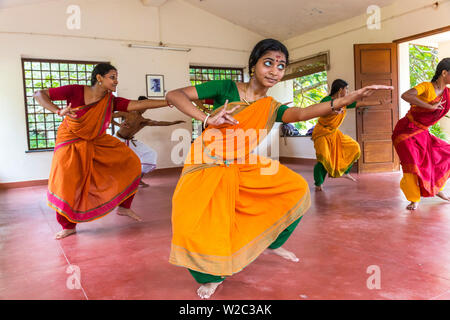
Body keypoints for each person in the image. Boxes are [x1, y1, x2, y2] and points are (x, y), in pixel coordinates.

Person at [166, 38, 393, 299]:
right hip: (205, 161)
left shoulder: (271, 106)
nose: (275, 71)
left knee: (295, 189)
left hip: (240, 163)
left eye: (281, 66)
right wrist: (206, 117)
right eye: (268, 63)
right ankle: (210, 278)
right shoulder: (226, 87)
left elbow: (300, 114)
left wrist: (341, 101)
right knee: (193, 223)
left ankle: (271, 243)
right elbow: (173, 95)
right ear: (254, 65)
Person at [34, 63, 170, 239]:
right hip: (69, 141)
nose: (116, 81)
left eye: (116, 77)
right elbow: (39, 94)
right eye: (112, 77)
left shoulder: (110, 101)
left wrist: (168, 101)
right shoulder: (75, 91)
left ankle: (123, 207)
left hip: (96, 140)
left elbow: (136, 104)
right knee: (66, 182)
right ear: (99, 78)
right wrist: (58, 110)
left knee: (132, 162)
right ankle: (68, 226)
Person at [392, 57, 450, 210]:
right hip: (405, 131)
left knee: (443, 155)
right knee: (412, 164)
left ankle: (436, 189)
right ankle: (414, 198)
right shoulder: (426, 87)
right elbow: (406, 95)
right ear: (444, 73)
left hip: (422, 132)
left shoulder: (447, 93)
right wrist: (429, 107)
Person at [313, 79, 385, 191]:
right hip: (322, 133)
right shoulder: (327, 100)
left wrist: (379, 102)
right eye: (346, 88)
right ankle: (318, 183)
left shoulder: (345, 102)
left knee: (354, 147)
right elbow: (321, 110)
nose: (347, 91)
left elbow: (361, 103)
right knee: (323, 159)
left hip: (334, 133)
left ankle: (344, 172)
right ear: (341, 89)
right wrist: (333, 110)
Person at [112, 96, 184, 187]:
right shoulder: (127, 113)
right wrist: (119, 124)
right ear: (139, 104)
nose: (145, 109)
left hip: (130, 141)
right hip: (118, 140)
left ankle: (138, 180)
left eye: (147, 107)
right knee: (119, 161)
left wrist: (173, 123)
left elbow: (157, 123)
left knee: (150, 154)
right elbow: (109, 117)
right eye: (144, 106)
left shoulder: (143, 120)